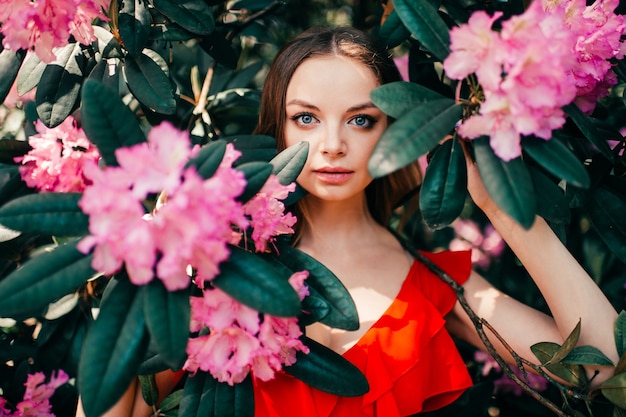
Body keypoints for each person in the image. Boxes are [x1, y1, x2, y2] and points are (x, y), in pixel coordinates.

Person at [78, 26, 619, 417]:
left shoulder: (433, 284)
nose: (333, 145)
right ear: (279, 129)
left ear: (394, 130)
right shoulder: (221, 263)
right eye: (307, 118)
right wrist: (150, 257)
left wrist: (503, 203)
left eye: (361, 120)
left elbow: (593, 367)